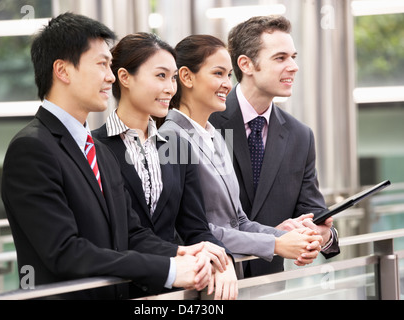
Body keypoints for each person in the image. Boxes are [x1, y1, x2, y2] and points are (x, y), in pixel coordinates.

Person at [1, 13, 213, 300]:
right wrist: (169, 268)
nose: (110, 77)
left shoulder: (98, 150)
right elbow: (66, 252)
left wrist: (181, 251)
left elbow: (131, 233)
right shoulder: (31, 149)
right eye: (101, 64)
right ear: (63, 71)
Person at [159, 34, 323, 276]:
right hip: (201, 280)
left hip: (232, 276)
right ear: (186, 77)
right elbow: (188, 230)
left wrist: (291, 237)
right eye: (218, 73)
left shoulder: (214, 136)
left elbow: (239, 221)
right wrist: (276, 244)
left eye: (228, 75)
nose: (227, 83)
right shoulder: (170, 138)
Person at [92, 32, 238, 300]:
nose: (171, 88)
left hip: (174, 292)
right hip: (118, 290)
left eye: (173, 78)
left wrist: (222, 261)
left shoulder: (178, 146)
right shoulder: (94, 148)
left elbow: (196, 227)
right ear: (124, 77)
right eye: (160, 76)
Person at [209, 15, 340, 278]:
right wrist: (273, 238)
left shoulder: (300, 136)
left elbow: (313, 214)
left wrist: (320, 234)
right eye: (280, 58)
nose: (293, 66)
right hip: (212, 281)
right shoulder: (205, 121)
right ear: (245, 64)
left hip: (269, 285)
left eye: (294, 56)